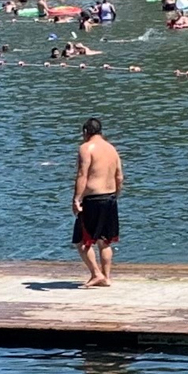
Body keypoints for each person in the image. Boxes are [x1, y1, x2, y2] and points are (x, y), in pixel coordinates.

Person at [72, 117, 122, 287]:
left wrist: (76, 199)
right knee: (105, 241)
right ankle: (106, 277)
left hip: (93, 199)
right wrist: (116, 195)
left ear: (85, 132)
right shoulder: (112, 149)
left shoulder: (86, 148)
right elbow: (119, 176)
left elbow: (82, 175)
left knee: (82, 241)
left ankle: (96, 274)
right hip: (110, 197)